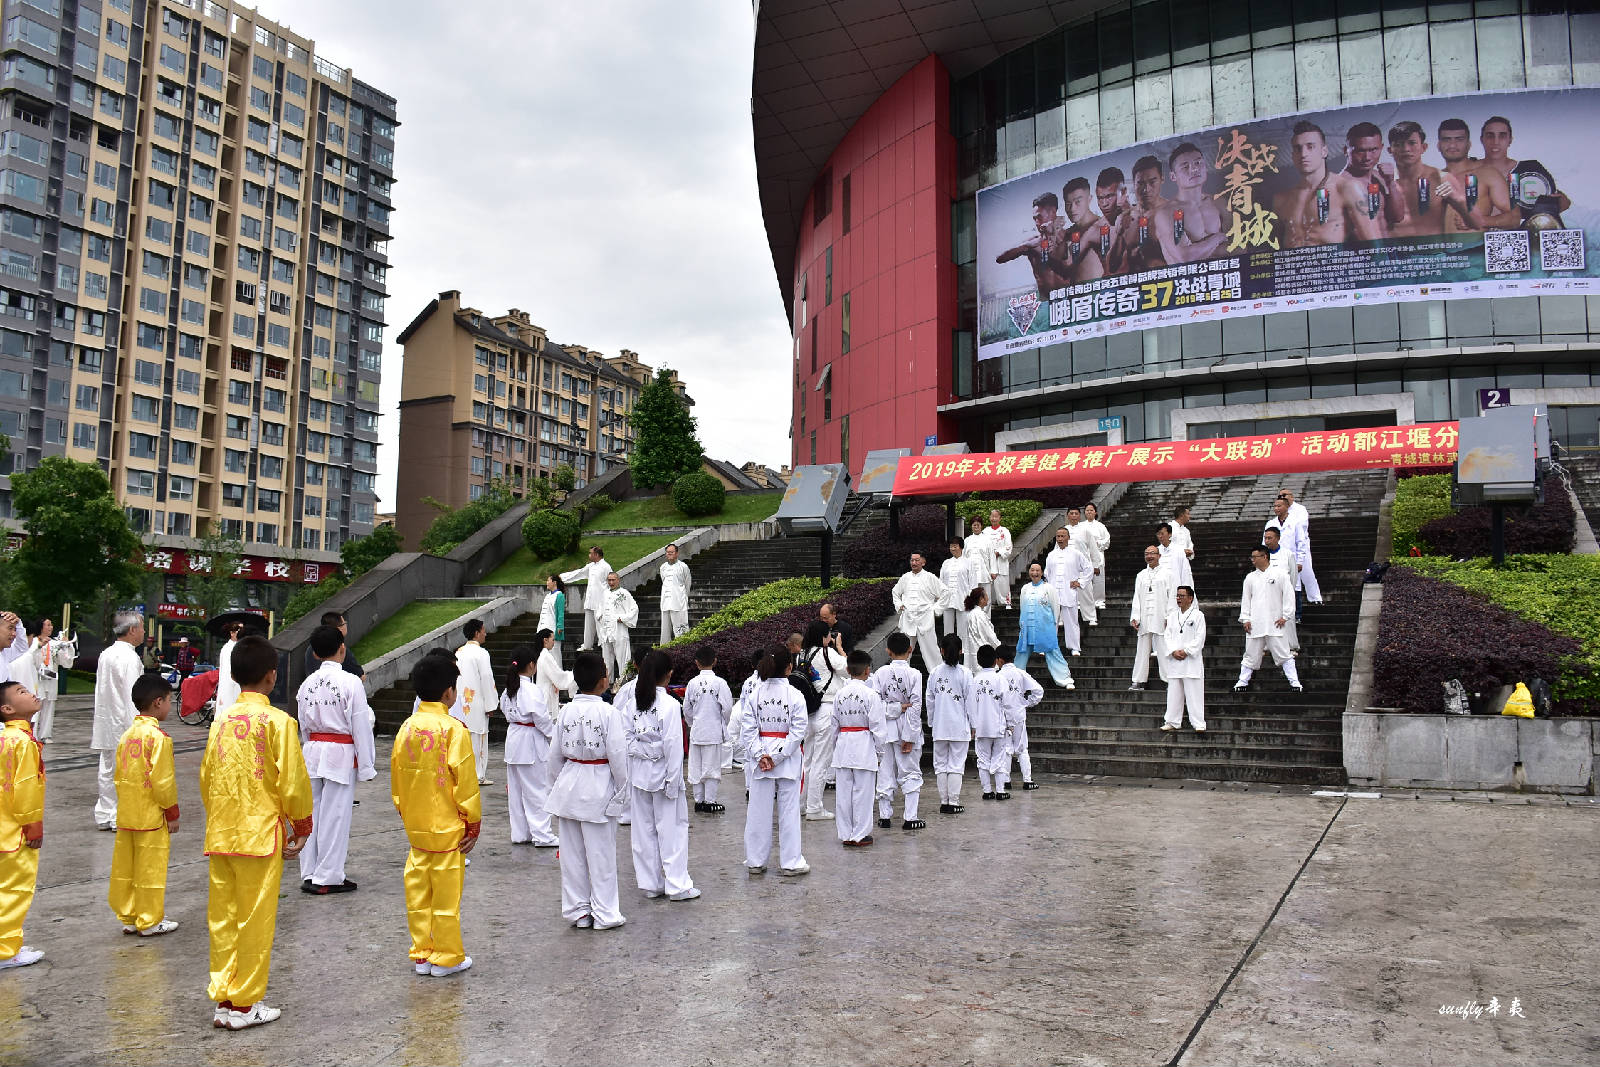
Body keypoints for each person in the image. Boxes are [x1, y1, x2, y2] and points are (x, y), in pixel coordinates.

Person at [200, 635, 313, 1029]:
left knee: (224, 918)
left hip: (222, 832)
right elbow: (294, 782)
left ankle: (226, 998)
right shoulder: (279, 722)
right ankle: (246, 1004)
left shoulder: (222, 722)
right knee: (254, 919)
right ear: (271, 676)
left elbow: (207, 777)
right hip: (260, 834)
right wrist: (301, 822)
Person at [392, 653, 480, 977]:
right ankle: (446, 956)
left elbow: (397, 779)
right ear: (448, 692)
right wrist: (472, 823)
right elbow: (466, 785)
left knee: (417, 891)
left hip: (417, 826)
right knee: (445, 895)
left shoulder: (406, 728)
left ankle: (422, 953)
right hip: (446, 827)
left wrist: (407, 813)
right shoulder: (454, 730)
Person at [546, 651, 630, 928]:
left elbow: (554, 757)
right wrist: (622, 793)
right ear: (604, 681)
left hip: (569, 783)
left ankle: (578, 911)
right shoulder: (609, 712)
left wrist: (559, 785)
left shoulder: (566, 710)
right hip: (598, 785)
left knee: (572, 857)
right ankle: (605, 913)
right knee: (601, 855)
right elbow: (619, 757)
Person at [296, 624, 377, 895]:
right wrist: (366, 765)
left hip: (313, 751)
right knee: (336, 815)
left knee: (312, 813)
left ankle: (310, 872)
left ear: (316, 654)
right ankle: (328, 875)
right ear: (342, 648)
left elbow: (303, 724)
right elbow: (360, 725)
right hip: (339, 753)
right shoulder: (351, 682)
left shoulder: (306, 684)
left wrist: (309, 747)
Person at [109, 674, 181, 936]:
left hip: (128, 812)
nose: (169, 706)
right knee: (150, 869)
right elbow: (163, 781)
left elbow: (118, 777)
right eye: (169, 701)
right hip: (151, 815)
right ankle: (149, 919)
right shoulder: (158, 738)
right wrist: (171, 811)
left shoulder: (128, 735)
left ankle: (129, 915)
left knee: (126, 868)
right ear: (158, 702)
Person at [625, 650, 698, 902]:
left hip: (640, 775)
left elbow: (627, 739)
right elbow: (674, 747)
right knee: (672, 830)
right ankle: (677, 884)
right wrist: (673, 779)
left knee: (644, 831)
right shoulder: (668, 705)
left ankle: (650, 883)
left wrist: (643, 749)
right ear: (668, 675)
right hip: (664, 774)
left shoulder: (633, 703)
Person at [739, 644, 809, 876]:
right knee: (788, 811)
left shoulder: (754, 694)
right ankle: (791, 861)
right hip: (784, 759)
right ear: (789, 668)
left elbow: (747, 731)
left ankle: (756, 860)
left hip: (761, 760)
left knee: (758, 810)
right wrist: (777, 756)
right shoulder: (795, 695)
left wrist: (761, 755)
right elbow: (798, 731)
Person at [1272, 121, 1383, 248]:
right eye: (1298, 148)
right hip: (1294, 266)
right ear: (1293, 156)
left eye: (1310, 147)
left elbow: (1377, 248)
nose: (1303, 154)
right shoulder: (1281, 200)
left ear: (1324, 151)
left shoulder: (1347, 188)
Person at [0, 680, 45, 970]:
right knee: (15, 891)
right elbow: (26, 788)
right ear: (7, 709)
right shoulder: (23, 742)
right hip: (15, 829)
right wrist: (33, 825)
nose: (30, 694)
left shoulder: (6, 739)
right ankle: (6, 950)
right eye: (21, 693)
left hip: (4, 826)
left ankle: (8, 942)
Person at [501, 644, 559, 847]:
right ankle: (542, 834)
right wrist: (554, 736)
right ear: (532, 665)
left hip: (514, 738)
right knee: (536, 789)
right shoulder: (531, 690)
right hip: (529, 740)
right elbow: (541, 719)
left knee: (516, 791)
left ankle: (520, 833)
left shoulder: (509, 688)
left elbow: (505, 710)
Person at [93, 611, 145, 831]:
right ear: (132, 630)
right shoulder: (129, 658)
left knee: (107, 768)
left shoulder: (106, 653)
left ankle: (105, 813)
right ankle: (118, 815)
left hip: (106, 721)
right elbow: (132, 695)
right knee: (124, 771)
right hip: (123, 722)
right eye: (142, 628)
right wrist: (139, 725)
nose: (144, 632)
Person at [830, 650, 888, 848]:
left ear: (847, 670)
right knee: (863, 793)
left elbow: (833, 726)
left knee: (844, 794)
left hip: (844, 745)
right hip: (864, 745)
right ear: (867, 671)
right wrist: (879, 753)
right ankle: (860, 834)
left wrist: (836, 747)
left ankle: (846, 833)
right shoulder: (871, 695)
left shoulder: (839, 694)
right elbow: (878, 729)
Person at [871, 632, 925, 830]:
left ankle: (885, 816)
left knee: (885, 772)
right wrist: (910, 735)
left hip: (885, 730)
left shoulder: (880, 673)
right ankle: (910, 817)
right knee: (909, 771)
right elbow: (915, 706)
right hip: (904, 729)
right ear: (910, 650)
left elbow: (876, 705)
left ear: (888, 651)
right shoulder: (914, 674)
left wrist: (891, 709)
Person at [1235, 546, 1304, 693]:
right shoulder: (1250, 578)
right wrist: (1246, 619)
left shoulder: (1280, 574)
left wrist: (1285, 616)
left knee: (1284, 654)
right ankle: (1242, 682)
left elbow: (1288, 596)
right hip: (1256, 623)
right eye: (1252, 557)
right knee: (1250, 655)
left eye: (1255, 557)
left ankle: (1295, 683)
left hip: (1275, 623)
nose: (1253, 560)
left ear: (1264, 556)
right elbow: (1246, 600)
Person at [1386, 119, 1466, 238]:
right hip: (1394, 253)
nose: (1406, 149)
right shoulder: (1382, 183)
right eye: (1398, 144)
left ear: (1424, 147)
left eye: (1412, 143)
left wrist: (1463, 213)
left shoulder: (1441, 179)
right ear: (1390, 150)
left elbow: (1467, 219)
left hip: (1433, 253)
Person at [801, 620, 848, 821]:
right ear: (823, 636)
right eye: (829, 634)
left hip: (808, 711)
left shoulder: (801, 655)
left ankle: (802, 804)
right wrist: (839, 648)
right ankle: (814, 807)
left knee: (807, 761)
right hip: (826, 709)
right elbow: (848, 669)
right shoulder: (827, 653)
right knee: (821, 761)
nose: (831, 637)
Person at [1437, 118, 1518, 232]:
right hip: (1440, 249)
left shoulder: (1487, 174)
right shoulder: (1432, 179)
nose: (1452, 145)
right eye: (1446, 140)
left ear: (1469, 144)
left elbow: (1514, 218)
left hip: (1476, 248)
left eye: (1459, 139)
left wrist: (1481, 220)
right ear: (1439, 145)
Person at [1480, 115, 1570, 214]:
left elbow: (1563, 202)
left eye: (1502, 136)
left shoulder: (1530, 168)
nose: (1495, 142)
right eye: (1490, 136)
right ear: (1482, 139)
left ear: (1510, 140)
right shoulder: (1469, 171)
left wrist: (1557, 203)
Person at [1153, 142, 1226, 264]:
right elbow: (1184, 257)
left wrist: (1196, 250)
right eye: (1185, 166)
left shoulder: (1219, 203)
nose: (1194, 169)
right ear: (1173, 176)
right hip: (1187, 281)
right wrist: (1218, 238)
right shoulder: (1167, 212)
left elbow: (1238, 248)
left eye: (1198, 163)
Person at [927, 633, 975, 815]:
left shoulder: (934, 673)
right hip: (959, 725)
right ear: (961, 651)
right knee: (956, 765)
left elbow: (929, 700)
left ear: (941, 651)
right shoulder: (965, 674)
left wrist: (932, 721)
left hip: (940, 725)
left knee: (940, 764)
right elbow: (971, 702)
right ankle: (953, 802)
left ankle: (943, 801)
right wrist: (973, 725)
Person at [994, 191, 1071, 300]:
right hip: (1046, 303)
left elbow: (1069, 268)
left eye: (1039, 217)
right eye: (1034, 218)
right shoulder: (1032, 242)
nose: (1036, 222)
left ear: (1053, 212)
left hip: (1070, 300)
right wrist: (1026, 246)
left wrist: (1055, 235)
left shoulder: (1069, 236)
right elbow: (999, 258)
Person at [682, 646, 732, 815]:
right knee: (711, 766)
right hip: (713, 730)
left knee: (696, 766)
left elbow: (686, 708)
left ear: (696, 663)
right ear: (715, 661)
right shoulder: (720, 683)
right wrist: (721, 722)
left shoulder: (692, 683)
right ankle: (709, 801)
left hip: (697, 730)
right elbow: (727, 708)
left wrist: (692, 723)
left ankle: (699, 800)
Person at [1341, 121, 1409, 237]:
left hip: (1388, 251)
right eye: (1360, 151)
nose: (1367, 157)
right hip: (1362, 253)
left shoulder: (1380, 177)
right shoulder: (1339, 184)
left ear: (1381, 147)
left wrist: (1390, 182)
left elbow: (1397, 217)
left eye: (1373, 150)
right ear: (1346, 151)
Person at [1015, 563, 1074, 688]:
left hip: (1044, 628)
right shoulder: (1025, 588)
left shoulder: (1049, 588)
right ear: (1029, 572)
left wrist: (1054, 627)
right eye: (1032, 570)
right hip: (1027, 628)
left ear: (1042, 573)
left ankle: (1064, 678)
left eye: (1037, 570)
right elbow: (1022, 607)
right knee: (1021, 652)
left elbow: (1055, 609)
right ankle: (1015, 678)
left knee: (1053, 651)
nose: (1035, 573)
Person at [894, 552, 954, 672]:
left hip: (925, 619)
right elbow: (895, 592)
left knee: (931, 650)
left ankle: (939, 675)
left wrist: (935, 609)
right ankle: (900, 674)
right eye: (912, 560)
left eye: (917, 560)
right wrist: (899, 604)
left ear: (923, 562)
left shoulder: (930, 577)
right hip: (908, 619)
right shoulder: (905, 577)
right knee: (903, 650)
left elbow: (946, 593)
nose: (914, 563)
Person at [454, 619, 497, 786]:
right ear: (477, 633)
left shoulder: (459, 653)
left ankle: (465, 772)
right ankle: (478, 774)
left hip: (461, 701)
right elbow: (486, 678)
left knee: (465, 738)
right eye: (483, 630)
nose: (485, 633)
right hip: (477, 701)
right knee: (478, 738)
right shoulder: (481, 653)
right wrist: (491, 704)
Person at [1108, 154, 1168, 273]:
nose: (1146, 189)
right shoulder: (1125, 217)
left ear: (1162, 179)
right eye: (1140, 183)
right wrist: (1120, 235)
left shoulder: (1173, 212)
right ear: (1134, 184)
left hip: (1167, 286)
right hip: (1137, 287)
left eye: (1152, 182)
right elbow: (1112, 266)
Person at [995, 643, 1042, 790]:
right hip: (1019, 715)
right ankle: (1027, 780)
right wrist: (1027, 703)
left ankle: (1006, 780)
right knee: (1022, 748)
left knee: (1006, 748)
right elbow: (1038, 690)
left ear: (1000, 660)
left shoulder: (998, 676)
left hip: (1004, 716)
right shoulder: (1020, 673)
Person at [1161, 586, 1207, 733]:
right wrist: (1173, 651)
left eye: (1182, 595)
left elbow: (1200, 637)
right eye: (1177, 596)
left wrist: (1186, 651)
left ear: (1190, 598)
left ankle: (1198, 723)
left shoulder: (1198, 615)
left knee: (1194, 693)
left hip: (1191, 661)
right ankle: (1172, 721)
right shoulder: (1172, 616)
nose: (1178, 598)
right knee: (1174, 692)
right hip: (1175, 661)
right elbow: (1167, 636)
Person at [970, 646, 1011, 801]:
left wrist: (973, 726)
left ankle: (987, 791)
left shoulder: (975, 680)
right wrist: (1010, 722)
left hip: (981, 727)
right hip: (998, 725)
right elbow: (1007, 703)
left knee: (983, 759)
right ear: (995, 661)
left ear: (979, 661)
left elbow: (971, 706)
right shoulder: (1000, 679)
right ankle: (1000, 791)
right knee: (999, 758)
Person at [1129, 545, 1173, 691]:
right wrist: (1135, 617)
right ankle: (1138, 681)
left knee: (1163, 649)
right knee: (1141, 650)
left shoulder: (1167, 574)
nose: (1149, 556)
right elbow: (1137, 597)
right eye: (1147, 553)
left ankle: (1169, 681)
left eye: (1152, 553)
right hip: (1144, 617)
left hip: (1161, 616)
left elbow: (1172, 597)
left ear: (1159, 555)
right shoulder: (1141, 575)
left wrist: (1170, 616)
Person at [1044, 527, 1093, 656]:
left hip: (1069, 592)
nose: (1060, 539)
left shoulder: (1076, 554)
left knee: (1072, 621)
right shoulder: (1051, 555)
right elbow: (1046, 573)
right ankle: (1048, 646)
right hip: (1053, 592)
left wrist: (1080, 582)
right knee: (1050, 621)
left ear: (1068, 537)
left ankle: (1074, 647)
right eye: (1058, 536)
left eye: (1062, 536)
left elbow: (1089, 569)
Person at [24, 617, 74, 744]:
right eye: (48, 625)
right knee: (35, 705)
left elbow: (65, 662)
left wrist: (66, 647)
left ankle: (45, 735)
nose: (50, 627)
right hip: (37, 678)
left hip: (50, 679)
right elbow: (30, 657)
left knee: (49, 705)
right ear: (41, 626)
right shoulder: (33, 642)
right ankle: (33, 733)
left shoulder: (54, 643)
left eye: (51, 625)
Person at [1052, 176, 1107, 283]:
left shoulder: (1102, 228)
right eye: (1068, 204)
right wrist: (1055, 233)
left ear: (1089, 199)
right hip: (1076, 297)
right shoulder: (1067, 233)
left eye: (1078, 202)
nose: (1072, 209)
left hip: (1101, 294)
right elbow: (1059, 270)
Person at [564, 546, 615, 652]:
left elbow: (611, 583)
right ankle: (587, 645)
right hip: (590, 600)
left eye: (590, 553)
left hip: (601, 601)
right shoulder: (590, 566)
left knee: (601, 624)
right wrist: (562, 578)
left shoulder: (606, 567)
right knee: (588, 625)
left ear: (596, 554)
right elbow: (578, 573)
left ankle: (604, 645)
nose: (589, 555)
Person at [1277, 489, 1323, 605]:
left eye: (1284, 495)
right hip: (1286, 545)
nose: (1282, 497)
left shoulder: (1300, 509)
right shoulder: (1281, 510)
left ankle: (1315, 597)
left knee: (1307, 571)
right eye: (1280, 495)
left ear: (1291, 497)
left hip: (1300, 543)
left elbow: (1302, 525)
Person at [1261, 524, 1302, 649]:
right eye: (1265, 538)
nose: (1267, 541)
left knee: (1287, 619)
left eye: (1270, 538)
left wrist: (1289, 591)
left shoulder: (1287, 554)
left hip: (1284, 593)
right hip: (1267, 593)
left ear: (1278, 538)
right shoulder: (1261, 555)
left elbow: (1293, 574)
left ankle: (1291, 645)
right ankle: (1268, 645)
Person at [595, 572, 639, 689]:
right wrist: (600, 616)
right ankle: (606, 685)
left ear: (618, 580)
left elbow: (634, 609)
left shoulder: (624, 593)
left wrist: (622, 618)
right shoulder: (604, 593)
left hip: (619, 630)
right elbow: (599, 609)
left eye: (613, 580)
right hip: (606, 631)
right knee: (606, 660)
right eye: (609, 580)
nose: (611, 582)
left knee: (623, 657)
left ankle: (625, 684)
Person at [939, 538, 980, 644]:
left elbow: (973, 583)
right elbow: (941, 582)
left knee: (963, 629)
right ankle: (948, 651)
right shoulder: (946, 563)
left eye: (955, 546)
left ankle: (963, 652)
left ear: (961, 547)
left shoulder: (968, 562)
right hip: (947, 600)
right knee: (947, 629)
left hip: (963, 599)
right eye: (951, 546)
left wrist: (971, 600)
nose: (953, 548)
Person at [1064, 508, 1100, 628]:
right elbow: (1056, 549)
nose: (1074, 516)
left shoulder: (1085, 530)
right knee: (1065, 593)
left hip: (1083, 567)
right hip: (1067, 567)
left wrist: (1095, 565)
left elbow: (1094, 548)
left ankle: (1091, 617)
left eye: (1076, 514)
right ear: (1067, 516)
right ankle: (1063, 619)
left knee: (1086, 592)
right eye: (1071, 513)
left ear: (1080, 516)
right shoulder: (1064, 530)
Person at [303, 612, 365, 682]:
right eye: (344, 623)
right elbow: (361, 677)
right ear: (339, 628)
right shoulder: (340, 648)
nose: (346, 625)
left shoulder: (311, 648)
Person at [534, 627, 576, 717]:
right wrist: (575, 674)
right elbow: (559, 677)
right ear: (545, 640)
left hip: (542, 692)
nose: (554, 642)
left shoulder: (541, 654)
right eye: (553, 639)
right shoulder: (546, 656)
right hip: (546, 696)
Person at [658, 543, 692, 645]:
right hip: (665, 602)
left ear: (677, 553)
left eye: (672, 552)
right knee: (665, 629)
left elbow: (687, 583)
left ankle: (683, 647)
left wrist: (683, 598)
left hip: (678, 602)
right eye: (668, 552)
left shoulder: (683, 567)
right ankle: (664, 648)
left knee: (680, 628)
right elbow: (664, 580)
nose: (669, 554)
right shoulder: (663, 567)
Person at [962, 587, 1000, 675]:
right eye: (986, 595)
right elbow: (989, 634)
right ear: (981, 599)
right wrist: (998, 646)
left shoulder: (971, 613)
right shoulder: (979, 615)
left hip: (974, 651)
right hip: (983, 653)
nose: (988, 597)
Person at [963, 518, 996, 615]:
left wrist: (993, 571)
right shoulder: (967, 540)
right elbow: (964, 557)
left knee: (986, 596)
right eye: (974, 525)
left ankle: (986, 618)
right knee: (972, 596)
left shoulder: (987, 540)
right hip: (971, 573)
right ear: (971, 526)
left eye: (978, 525)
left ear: (981, 526)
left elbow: (992, 556)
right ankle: (972, 617)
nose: (976, 527)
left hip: (984, 572)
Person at [1082, 503, 1110, 609]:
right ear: (1084, 513)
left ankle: (1099, 600)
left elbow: (1107, 540)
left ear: (1095, 512)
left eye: (1091, 510)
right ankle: (1083, 601)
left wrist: (1097, 544)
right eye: (1087, 510)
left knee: (1099, 578)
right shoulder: (1081, 526)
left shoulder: (1100, 526)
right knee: (1084, 578)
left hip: (1097, 554)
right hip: (1084, 555)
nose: (1089, 512)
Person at [985, 509, 1015, 609]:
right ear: (989, 518)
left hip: (1000, 562)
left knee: (1003, 583)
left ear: (999, 518)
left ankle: (1006, 603)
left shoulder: (1005, 531)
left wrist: (997, 553)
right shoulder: (985, 531)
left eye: (996, 516)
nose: (994, 519)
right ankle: (990, 603)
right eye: (992, 516)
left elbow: (1008, 547)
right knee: (989, 584)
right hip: (989, 563)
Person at [215, 621, 244, 714]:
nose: (242, 632)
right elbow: (227, 672)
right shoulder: (228, 648)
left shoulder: (239, 646)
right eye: (239, 630)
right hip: (230, 687)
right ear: (232, 633)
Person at [537, 575, 567, 661]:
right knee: (544, 655)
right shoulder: (547, 596)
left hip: (553, 630)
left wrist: (560, 627)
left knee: (555, 655)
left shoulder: (559, 595)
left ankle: (557, 673)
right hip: (542, 629)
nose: (547, 582)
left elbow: (560, 613)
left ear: (554, 582)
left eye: (548, 580)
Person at [1156, 522, 1192, 593]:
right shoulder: (1155, 551)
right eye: (1158, 534)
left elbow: (1185, 572)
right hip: (1160, 588)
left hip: (1175, 587)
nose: (1160, 536)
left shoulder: (1179, 550)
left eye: (1162, 533)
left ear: (1170, 534)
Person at [1170, 506, 1197, 596]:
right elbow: (1166, 545)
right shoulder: (1169, 528)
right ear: (1181, 515)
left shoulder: (1186, 531)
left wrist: (1190, 553)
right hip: (1172, 563)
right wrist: (1182, 551)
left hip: (1185, 563)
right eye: (1188, 514)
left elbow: (1190, 546)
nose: (1189, 517)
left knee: (1187, 585)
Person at [0, 611, 27, 683]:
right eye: (10, 628)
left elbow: (22, 648)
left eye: (15, 630)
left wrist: (18, 623)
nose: (14, 634)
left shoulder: (5, 652)